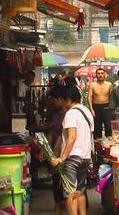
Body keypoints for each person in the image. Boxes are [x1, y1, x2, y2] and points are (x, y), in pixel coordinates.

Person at [51, 85, 94, 215]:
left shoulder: (70, 114)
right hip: (85, 157)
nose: (63, 103)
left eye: (64, 100)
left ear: (68, 99)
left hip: (73, 158)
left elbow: (72, 137)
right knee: (80, 191)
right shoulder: (87, 112)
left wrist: (61, 158)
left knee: (70, 193)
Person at [48, 85, 68, 215]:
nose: (53, 103)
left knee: (65, 183)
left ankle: (63, 206)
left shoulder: (69, 115)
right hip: (55, 151)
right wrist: (45, 149)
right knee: (55, 182)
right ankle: (58, 206)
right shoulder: (56, 115)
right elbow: (52, 132)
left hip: (64, 153)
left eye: (54, 100)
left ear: (60, 99)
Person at [88, 68, 113, 139]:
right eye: (98, 73)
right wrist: (91, 109)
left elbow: (112, 97)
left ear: (105, 75)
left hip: (107, 107)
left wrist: (112, 109)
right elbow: (89, 97)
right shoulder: (92, 85)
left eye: (102, 73)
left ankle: (109, 146)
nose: (100, 75)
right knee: (97, 129)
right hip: (96, 107)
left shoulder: (109, 84)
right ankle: (97, 147)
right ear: (96, 75)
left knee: (108, 127)